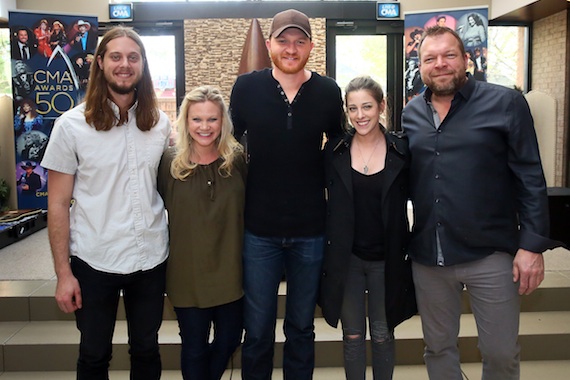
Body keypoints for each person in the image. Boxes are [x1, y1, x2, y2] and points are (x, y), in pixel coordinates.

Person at [401, 26, 560, 379]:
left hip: (491, 254)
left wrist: (531, 247)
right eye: (430, 58)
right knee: (438, 349)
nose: (440, 64)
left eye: (449, 55)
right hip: (430, 256)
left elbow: (530, 178)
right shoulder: (411, 114)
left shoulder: (505, 103)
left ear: (467, 59)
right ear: (420, 65)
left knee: (501, 353)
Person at [40, 26, 171, 379]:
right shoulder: (70, 126)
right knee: (94, 355)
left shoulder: (160, 124)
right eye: (115, 56)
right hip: (95, 260)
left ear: (142, 65)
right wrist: (63, 274)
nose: (124, 64)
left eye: (133, 57)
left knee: (147, 350)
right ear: (100, 63)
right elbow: (57, 206)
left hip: (150, 258)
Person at [230, 8, 345, 380]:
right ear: (270, 44)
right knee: (258, 330)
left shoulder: (328, 92)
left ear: (311, 46)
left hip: (310, 230)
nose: (291, 49)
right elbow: (225, 146)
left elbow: (342, 151)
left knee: (300, 328)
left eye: (299, 41)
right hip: (258, 229)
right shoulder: (247, 88)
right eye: (283, 41)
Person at [319, 76, 417, 380]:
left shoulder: (402, 150)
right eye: (353, 109)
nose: (360, 115)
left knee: (382, 333)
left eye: (367, 107)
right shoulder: (334, 151)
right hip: (347, 259)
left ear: (382, 106)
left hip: (386, 258)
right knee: (352, 335)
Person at [158, 85, 246, 380]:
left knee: (229, 340)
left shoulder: (238, 160)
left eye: (212, 119)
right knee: (194, 348)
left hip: (231, 273)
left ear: (223, 122)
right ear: (185, 121)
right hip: (187, 274)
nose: (205, 127)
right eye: (197, 119)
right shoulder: (170, 163)